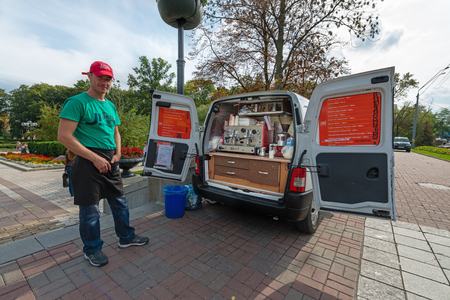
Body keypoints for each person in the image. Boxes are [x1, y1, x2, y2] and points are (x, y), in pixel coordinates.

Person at [57, 61, 149, 267]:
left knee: (120, 203)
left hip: (110, 159)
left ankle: (126, 237)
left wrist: (118, 152)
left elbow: (116, 132)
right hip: (87, 160)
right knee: (90, 212)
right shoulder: (76, 102)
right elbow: (63, 136)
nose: (104, 82)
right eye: (100, 77)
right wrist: (94, 158)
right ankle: (92, 249)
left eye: (108, 79)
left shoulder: (110, 105)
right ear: (89, 76)